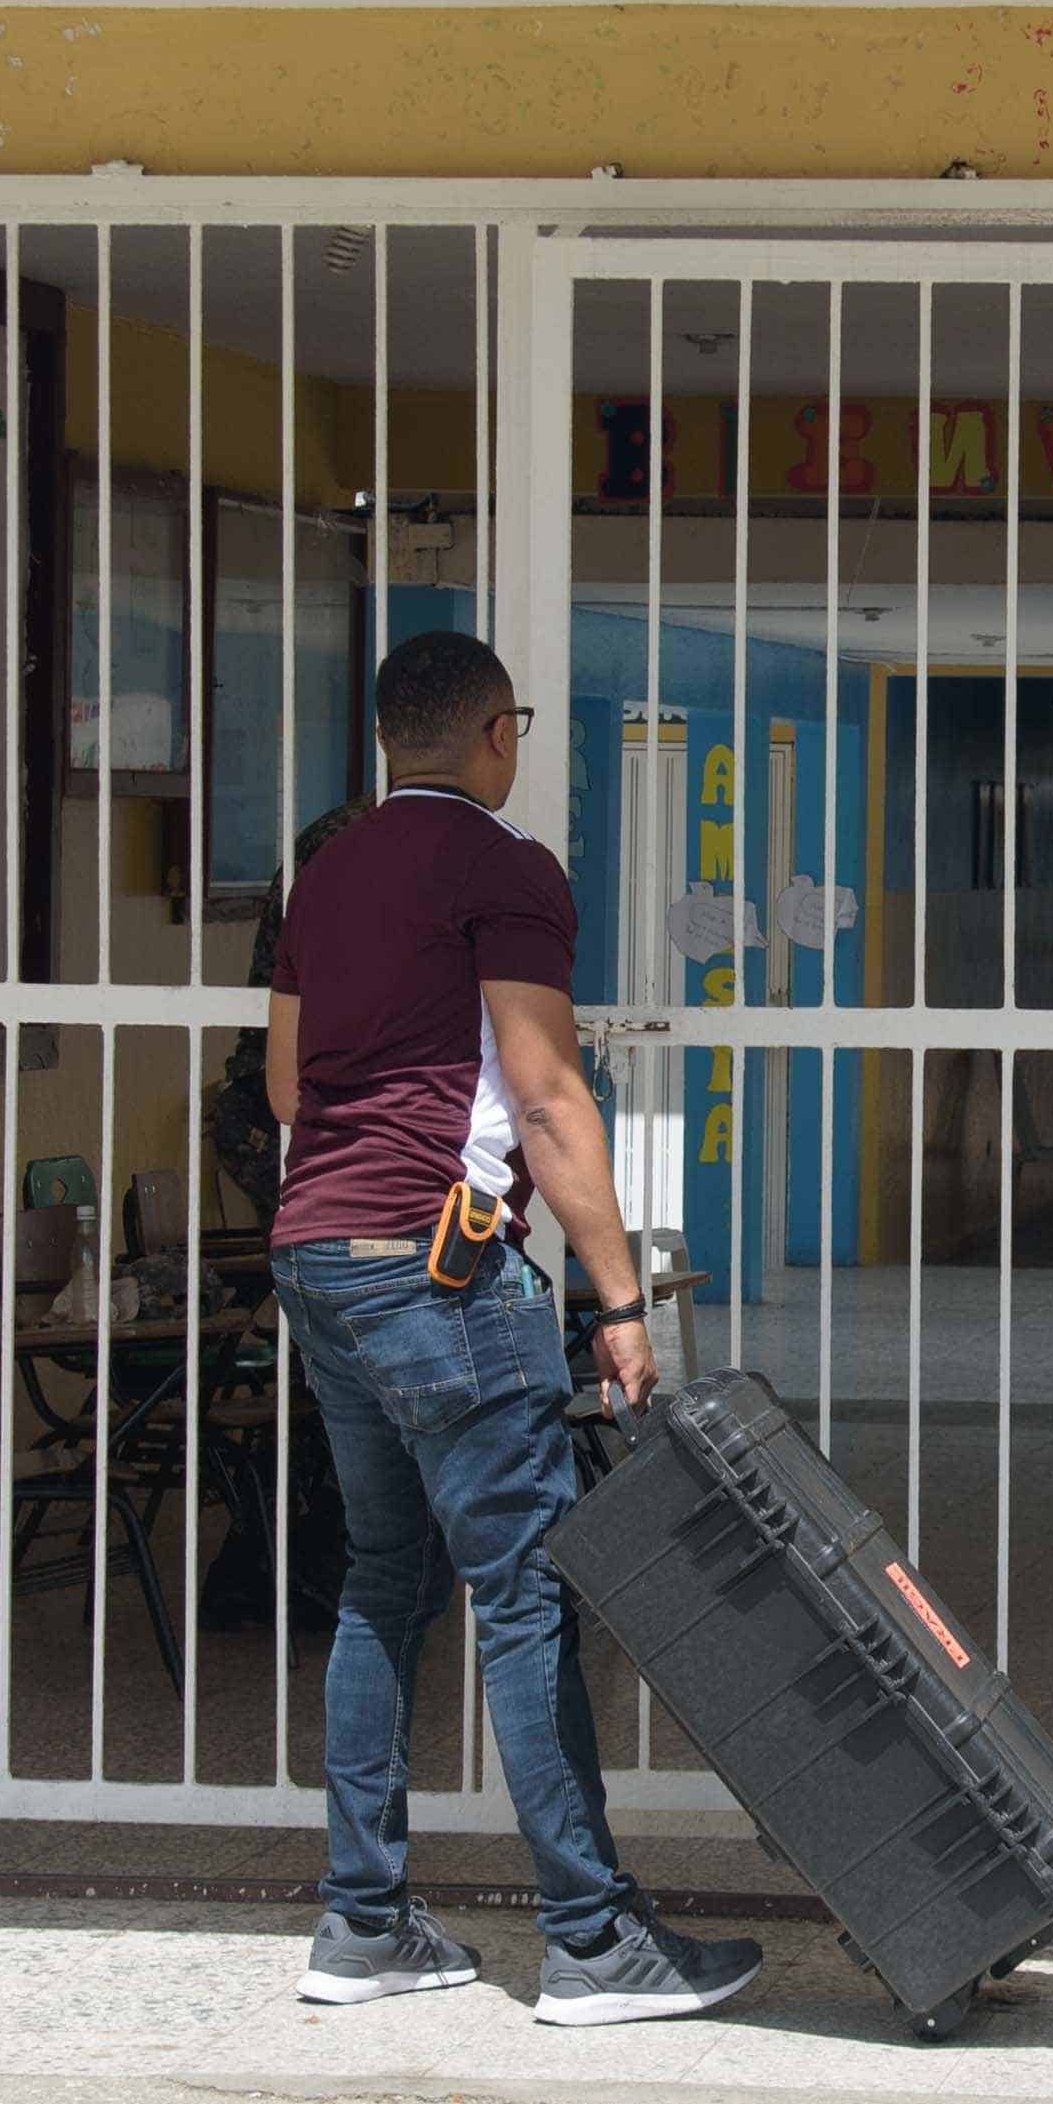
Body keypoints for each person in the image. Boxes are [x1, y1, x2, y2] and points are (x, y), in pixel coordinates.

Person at [259, 631, 763, 2028]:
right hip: (436, 1268)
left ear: (380, 739)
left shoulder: (329, 870)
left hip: (319, 1249)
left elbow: (291, 1088)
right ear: (495, 732)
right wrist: (614, 1298)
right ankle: (594, 1942)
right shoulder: (502, 866)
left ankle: (363, 1925)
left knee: (381, 1580)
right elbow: (545, 1098)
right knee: (526, 1591)